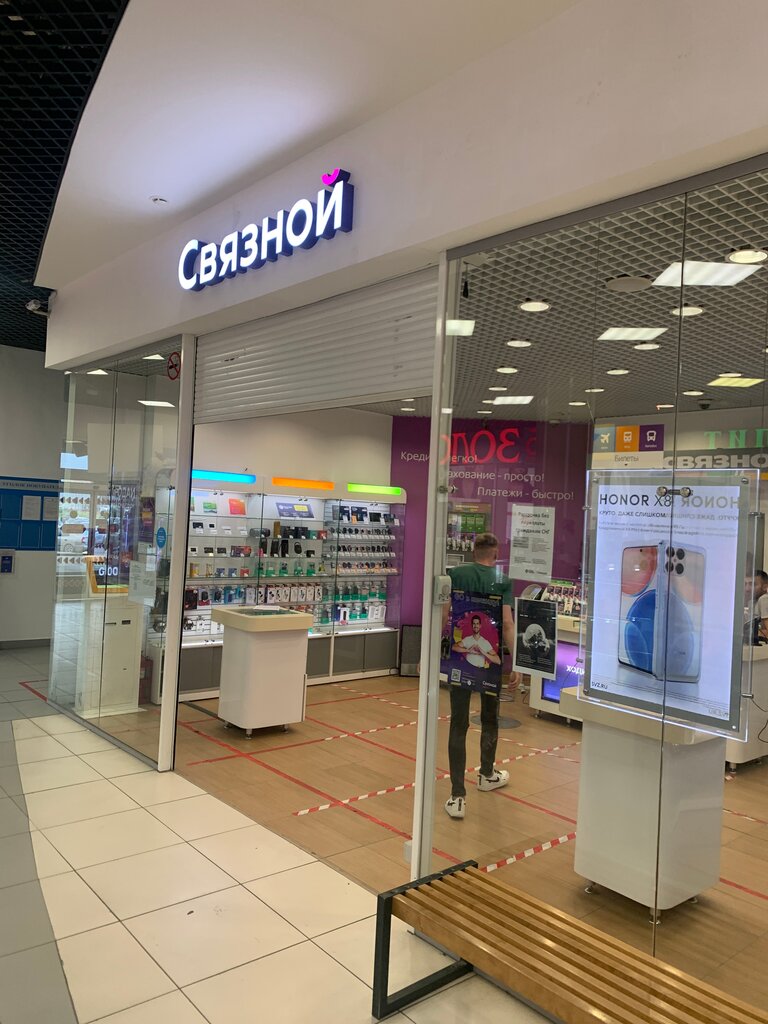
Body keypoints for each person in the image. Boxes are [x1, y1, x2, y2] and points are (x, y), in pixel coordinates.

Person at [443, 532, 516, 820]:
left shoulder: (456, 575)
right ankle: (486, 774)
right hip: (490, 664)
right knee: (489, 717)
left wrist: (432, 652)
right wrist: (517, 663)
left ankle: (457, 796)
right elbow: (507, 623)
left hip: (460, 661)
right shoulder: (503, 580)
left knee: (458, 723)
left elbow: (444, 615)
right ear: (495, 554)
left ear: (473, 552)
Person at [754, 570, 768, 639]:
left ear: (765, 587)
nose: (748, 588)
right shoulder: (752, 601)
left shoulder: (764, 599)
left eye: (754, 585)